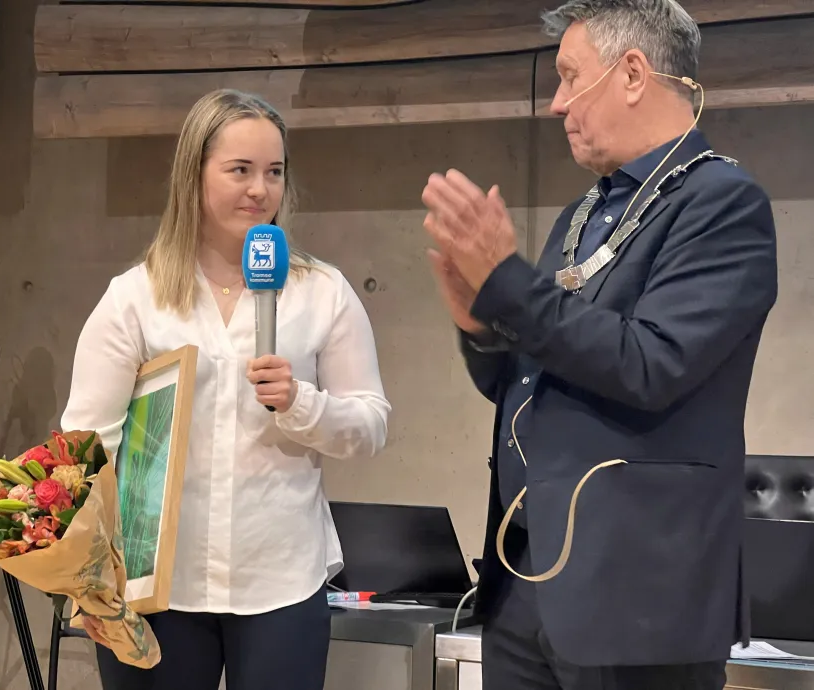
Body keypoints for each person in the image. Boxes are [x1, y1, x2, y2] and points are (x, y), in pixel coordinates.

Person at [421, 1, 778, 688]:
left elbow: (651, 364)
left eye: (568, 77)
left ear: (635, 73)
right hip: (527, 579)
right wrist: (481, 329)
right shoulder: (583, 213)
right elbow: (526, 383)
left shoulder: (723, 204)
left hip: (636, 596)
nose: (556, 105)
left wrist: (509, 285)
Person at [60, 88, 391, 690]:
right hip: (155, 586)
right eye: (240, 170)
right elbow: (86, 446)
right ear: (194, 174)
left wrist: (300, 404)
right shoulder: (135, 297)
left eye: (274, 172)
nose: (260, 190)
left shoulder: (322, 291)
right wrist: (84, 576)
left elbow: (371, 426)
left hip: (281, 583)